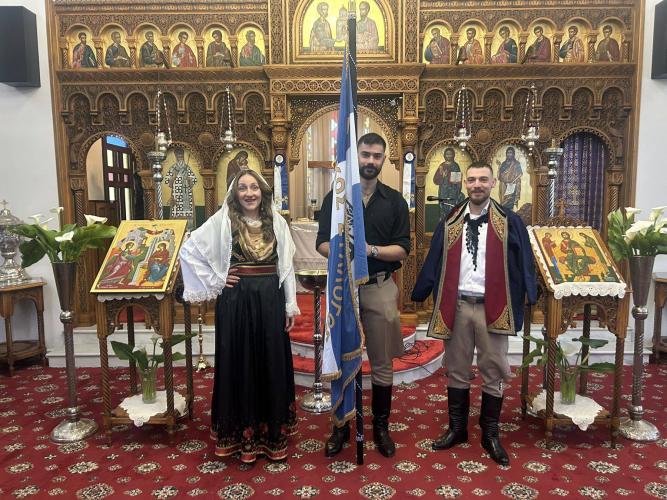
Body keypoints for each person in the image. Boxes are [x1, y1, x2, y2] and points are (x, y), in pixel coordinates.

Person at [411, 162, 536, 466]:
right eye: (472, 180)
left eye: (483, 179)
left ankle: (490, 432)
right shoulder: (451, 219)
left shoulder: (510, 221)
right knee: (457, 368)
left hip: (494, 306)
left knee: (494, 370)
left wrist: (531, 296)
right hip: (458, 306)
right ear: (465, 184)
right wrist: (420, 292)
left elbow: (525, 261)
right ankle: (457, 429)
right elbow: (435, 257)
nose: (477, 184)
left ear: (493, 183)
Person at [179, 169, 300, 463]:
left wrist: (290, 305)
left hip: (270, 300)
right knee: (240, 361)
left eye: (254, 187)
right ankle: (239, 435)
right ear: (234, 193)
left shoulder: (277, 222)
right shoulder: (223, 221)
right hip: (236, 301)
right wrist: (218, 279)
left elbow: (286, 268)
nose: (249, 193)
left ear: (263, 191)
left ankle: (271, 434)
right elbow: (188, 250)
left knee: (270, 360)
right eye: (243, 188)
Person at [316, 133, 410, 459]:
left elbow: (403, 249)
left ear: (384, 159)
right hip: (344, 290)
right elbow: (322, 244)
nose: (370, 161)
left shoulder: (395, 201)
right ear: (356, 157)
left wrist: (368, 250)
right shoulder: (336, 198)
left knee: (382, 363)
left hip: (380, 288)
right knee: (342, 358)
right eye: (365, 154)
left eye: (376, 156)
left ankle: (380, 426)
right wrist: (344, 252)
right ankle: (340, 426)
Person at [164, 147, 197, 220]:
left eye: (181, 156)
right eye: (178, 156)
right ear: (176, 157)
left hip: (187, 194)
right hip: (176, 194)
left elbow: (193, 182)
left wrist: (188, 178)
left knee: (187, 215)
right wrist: (173, 177)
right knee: (176, 213)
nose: (180, 157)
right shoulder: (173, 168)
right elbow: (168, 183)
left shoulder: (187, 168)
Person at [432, 147, 463, 220]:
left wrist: (458, 190)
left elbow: (457, 180)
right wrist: (442, 176)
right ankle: (443, 222)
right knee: (443, 207)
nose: (448, 156)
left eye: (450, 154)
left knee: (451, 208)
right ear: (444, 155)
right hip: (443, 190)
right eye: (447, 154)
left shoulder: (455, 165)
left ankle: (451, 222)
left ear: (453, 155)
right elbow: (435, 180)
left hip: (453, 191)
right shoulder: (441, 166)